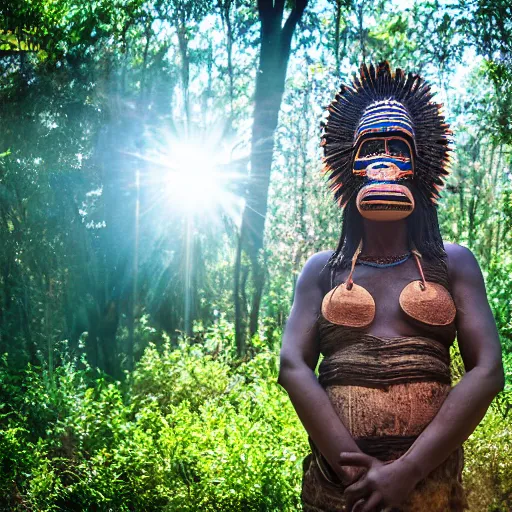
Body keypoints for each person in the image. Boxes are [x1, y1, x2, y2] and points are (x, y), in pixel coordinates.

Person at [278, 62, 504, 512]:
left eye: (397, 148)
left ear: (418, 168)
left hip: (431, 492)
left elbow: (487, 371)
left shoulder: (451, 263)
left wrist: (409, 470)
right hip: (340, 493)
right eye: (371, 147)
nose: (383, 163)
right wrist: (356, 475)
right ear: (352, 165)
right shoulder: (323, 271)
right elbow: (291, 366)